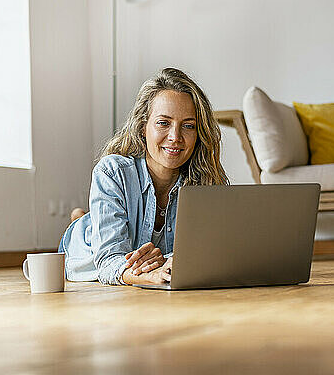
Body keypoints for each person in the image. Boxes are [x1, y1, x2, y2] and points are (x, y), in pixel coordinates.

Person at [59, 68, 228, 285]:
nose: (175, 137)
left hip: (142, 259)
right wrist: (149, 274)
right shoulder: (112, 171)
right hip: (83, 250)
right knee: (88, 231)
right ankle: (82, 221)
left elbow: (205, 254)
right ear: (142, 127)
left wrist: (163, 263)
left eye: (188, 126)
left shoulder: (204, 182)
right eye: (163, 123)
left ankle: (87, 215)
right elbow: (108, 263)